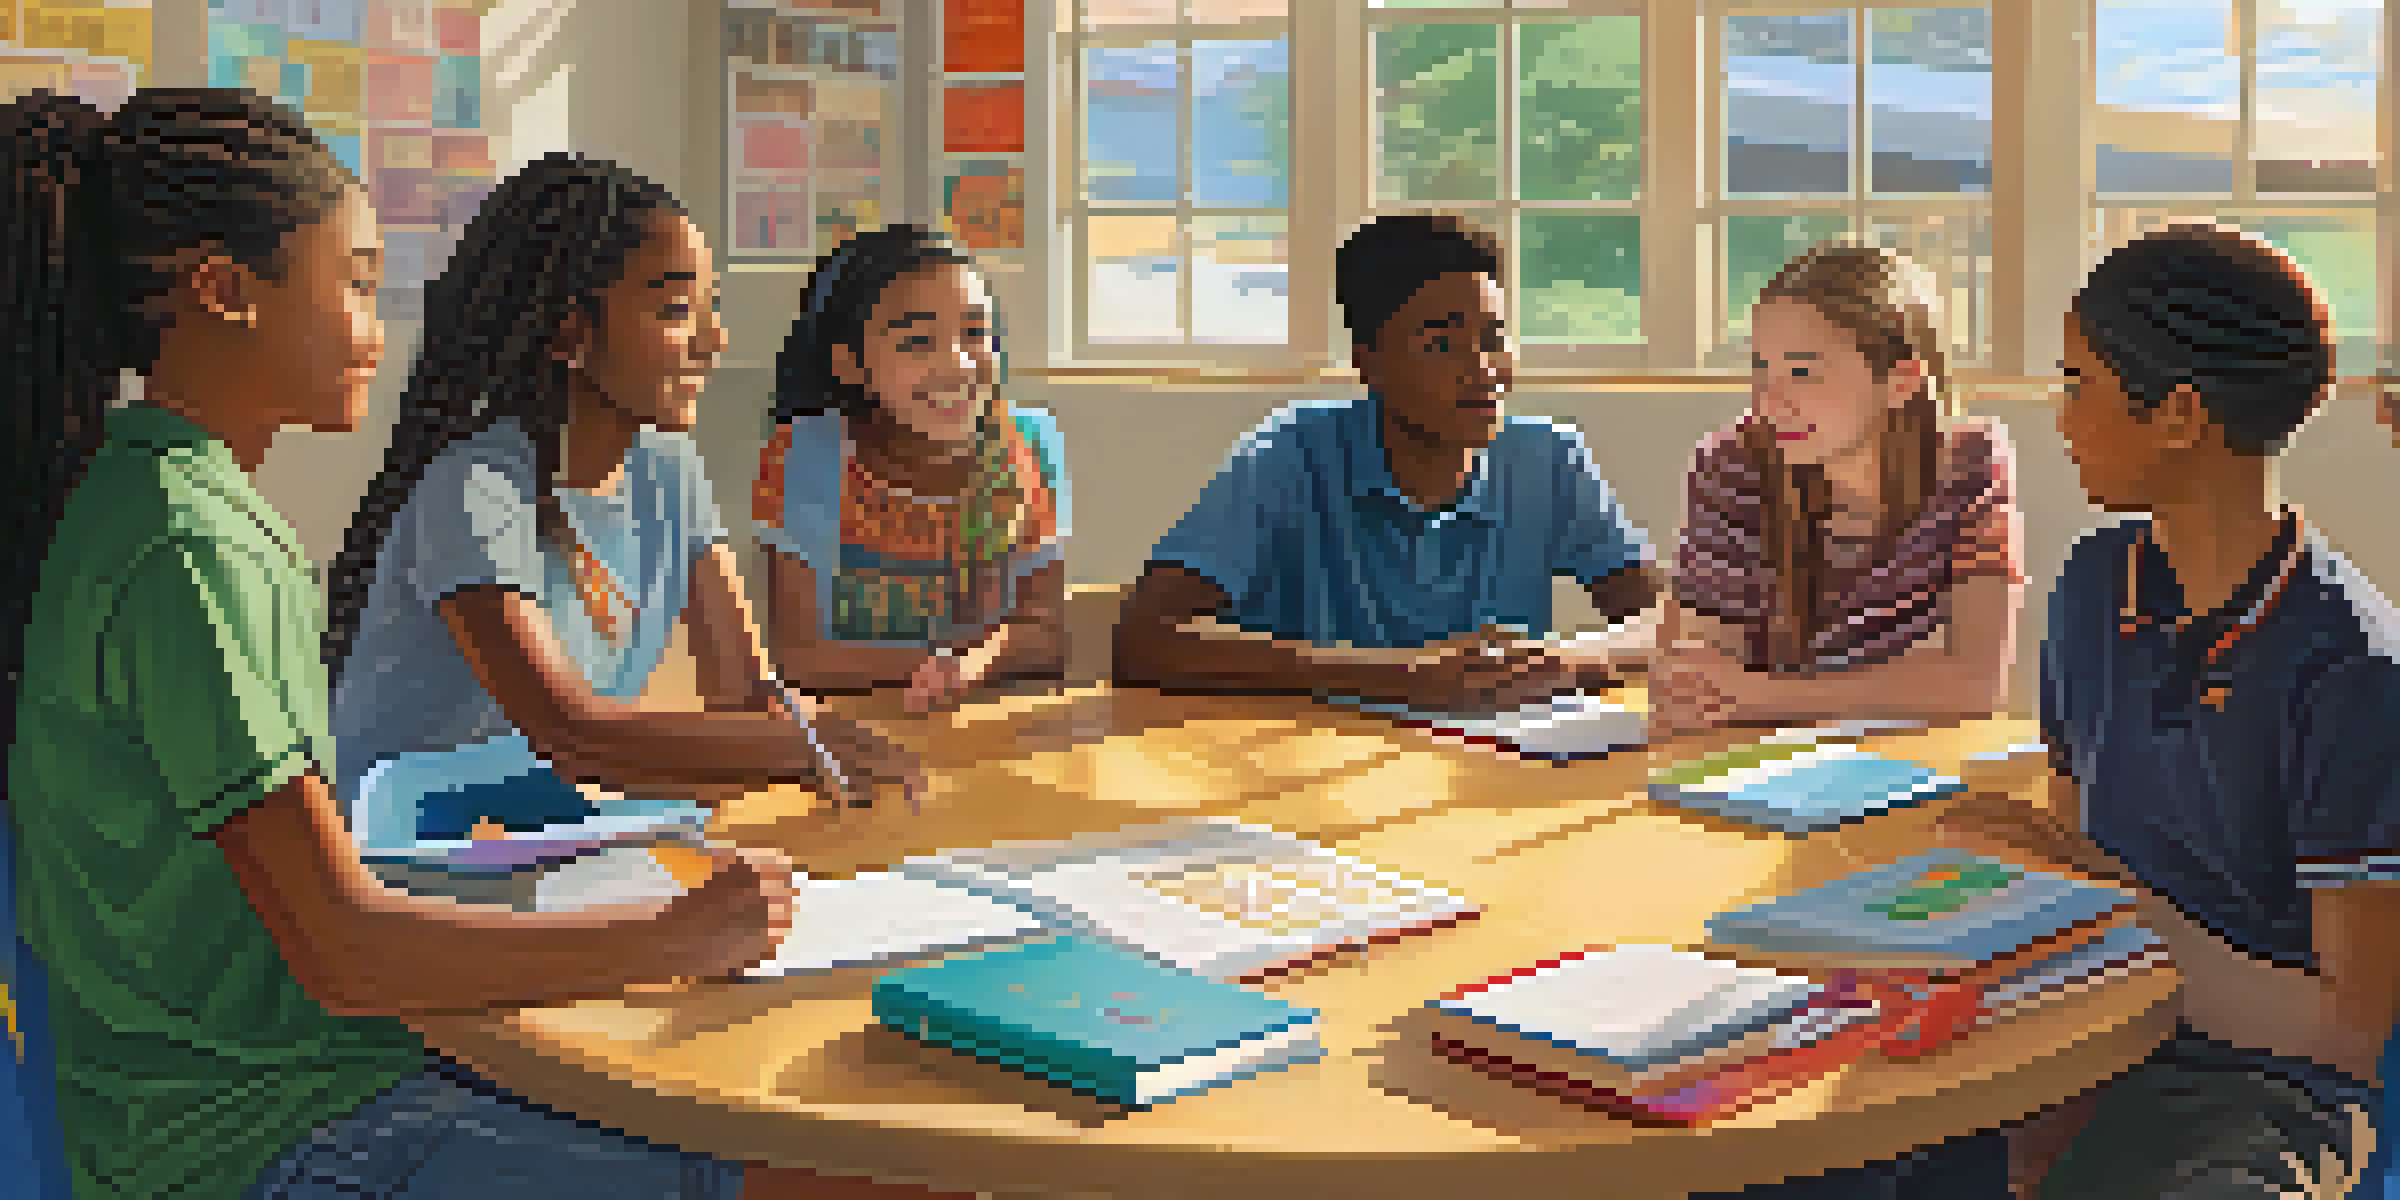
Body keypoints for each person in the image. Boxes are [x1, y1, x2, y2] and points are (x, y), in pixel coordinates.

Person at [0, 91, 794, 1200]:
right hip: (256, 1139)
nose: (380, 332)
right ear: (226, 293)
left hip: (279, 1085)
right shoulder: (192, 547)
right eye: (358, 284)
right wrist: (671, 935)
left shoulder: (153, 498)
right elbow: (348, 950)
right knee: (773, 1171)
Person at [1936, 223, 2400, 1198]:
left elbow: (2349, 1031)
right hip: (2087, 1035)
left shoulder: (2352, 664)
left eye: (2078, 385)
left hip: (2263, 1089)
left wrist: (2121, 915)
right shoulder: (2090, 586)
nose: (2060, 418)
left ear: (2180, 416)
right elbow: (2074, 851)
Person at [1112, 213, 1664, 712]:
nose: (1483, 370)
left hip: (1492, 764)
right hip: (1307, 762)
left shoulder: (1549, 459)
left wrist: (1570, 657)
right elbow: (1143, 641)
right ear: (1368, 363)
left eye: (1495, 338)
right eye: (1442, 345)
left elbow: (1672, 623)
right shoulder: (1287, 457)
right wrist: (1393, 676)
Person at [1654, 243, 2022, 737]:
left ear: (1901, 381)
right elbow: (1697, 671)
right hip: (1751, 758)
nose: (1769, 403)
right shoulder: (1731, 465)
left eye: (1802, 373)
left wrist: (1758, 695)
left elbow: (1974, 685)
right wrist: (1694, 696)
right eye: (1761, 370)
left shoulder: (1970, 465)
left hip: (1901, 757)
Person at [753, 225, 1068, 713]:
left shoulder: (1026, 445)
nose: (958, 365)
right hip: (850, 726)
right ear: (850, 365)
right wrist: (942, 666)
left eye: (975, 333)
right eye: (918, 340)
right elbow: (801, 657)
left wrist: (967, 670)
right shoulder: (804, 456)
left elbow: (1045, 634)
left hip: (988, 722)